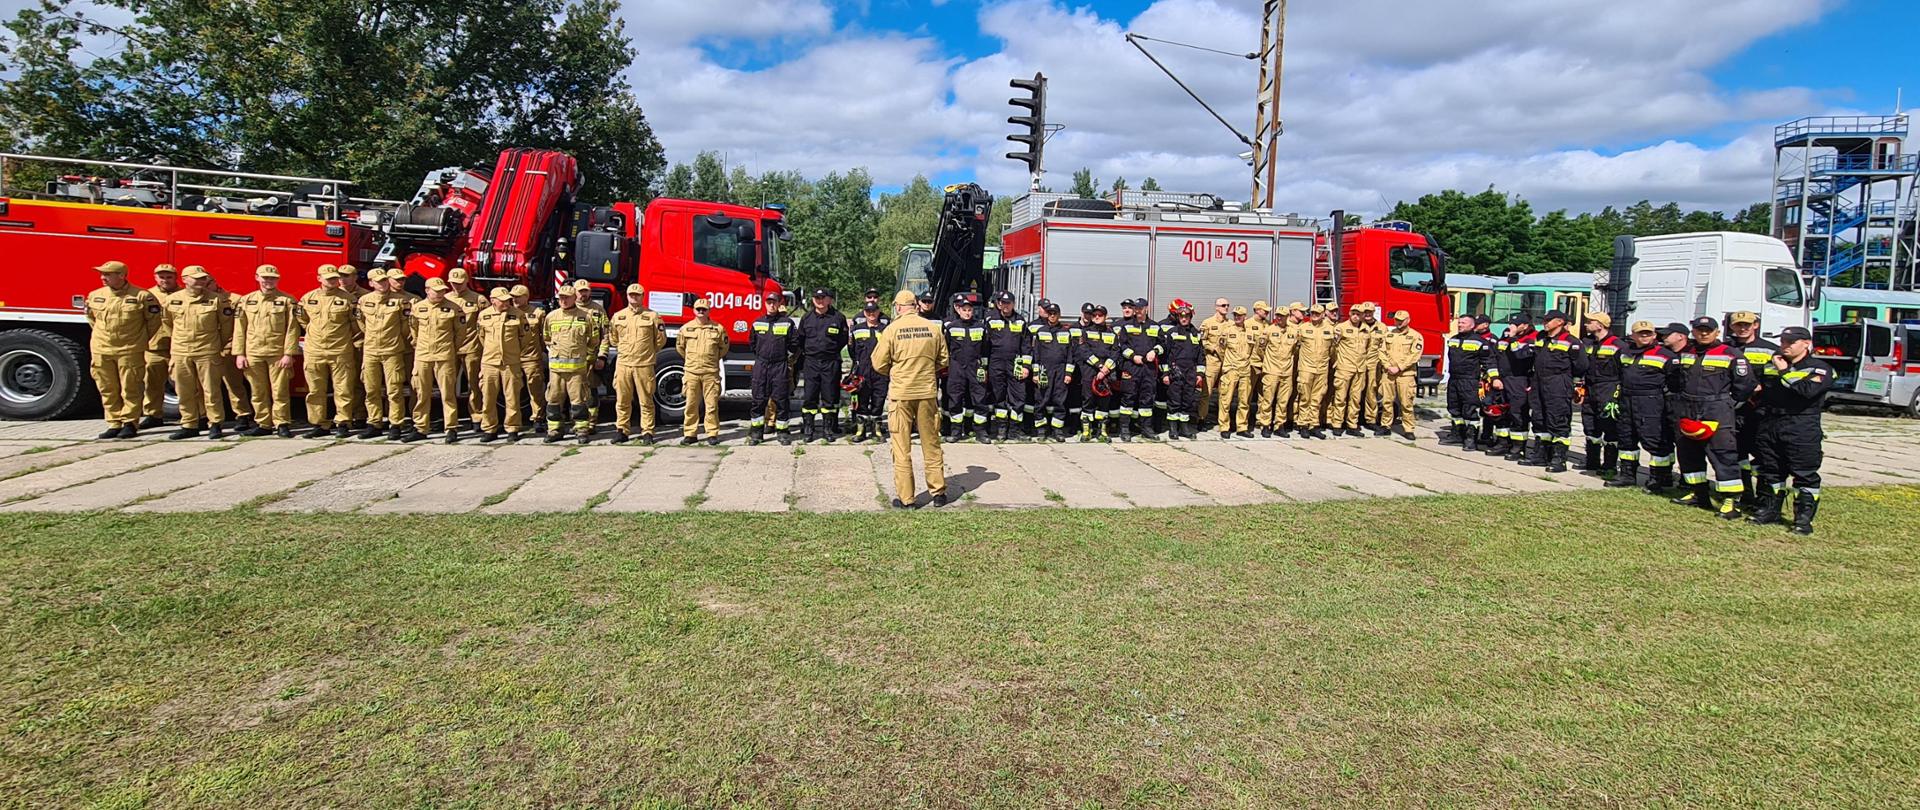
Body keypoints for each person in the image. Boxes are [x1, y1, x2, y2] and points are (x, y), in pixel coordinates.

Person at [1747, 326, 1831, 534]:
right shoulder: (1772, 363)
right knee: (1771, 470)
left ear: (1806, 343)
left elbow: (1806, 391)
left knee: (1804, 473)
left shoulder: (1819, 368)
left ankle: (1802, 520)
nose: (1784, 345)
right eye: (1783, 341)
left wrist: (1784, 371)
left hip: (1801, 424)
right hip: (1771, 423)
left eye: (1790, 342)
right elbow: (1760, 389)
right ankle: (1770, 510)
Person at [872, 289, 951, 508]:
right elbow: (944, 359)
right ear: (915, 305)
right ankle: (938, 493)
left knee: (901, 446)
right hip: (927, 392)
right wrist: (925, 370)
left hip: (901, 394)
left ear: (898, 307)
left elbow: (878, 363)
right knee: (931, 442)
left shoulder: (892, 330)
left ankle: (907, 498)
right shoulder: (933, 329)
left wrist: (897, 372)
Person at [1670, 316, 1753, 517]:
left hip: (1716, 409)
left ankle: (1730, 501)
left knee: (1722, 454)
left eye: (1708, 330)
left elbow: (1745, 384)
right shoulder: (1686, 352)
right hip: (1688, 407)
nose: (1704, 333)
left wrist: (1729, 405)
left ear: (1717, 332)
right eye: (1699, 330)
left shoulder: (1730, 354)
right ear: (1693, 332)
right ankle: (1698, 493)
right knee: (1688, 453)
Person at [83, 260, 162, 439]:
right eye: (102, 274)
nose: (103, 277)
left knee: (131, 387)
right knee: (107, 387)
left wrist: (139, 339)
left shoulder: (142, 296)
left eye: (108, 274)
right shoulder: (95, 295)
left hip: (130, 349)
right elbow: (92, 319)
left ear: (121, 275)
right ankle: (113, 422)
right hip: (102, 349)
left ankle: (130, 422)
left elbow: (154, 321)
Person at [163, 266, 235, 440]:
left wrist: (217, 344)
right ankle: (189, 424)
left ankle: (215, 424)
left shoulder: (217, 300)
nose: (201, 281)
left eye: (203, 278)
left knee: (211, 390)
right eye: (197, 278)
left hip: (207, 351)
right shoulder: (172, 300)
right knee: (184, 390)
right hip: (181, 351)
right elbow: (167, 323)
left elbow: (226, 326)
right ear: (185, 279)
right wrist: (179, 342)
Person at [1608, 320, 1680, 491]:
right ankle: (1627, 474)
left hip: (1651, 401)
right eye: (1641, 333)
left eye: (1648, 333)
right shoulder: (1623, 353)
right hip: (1627, 400)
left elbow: (1675, 382)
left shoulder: (1666, 355)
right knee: (1626, 438)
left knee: (1655, 440)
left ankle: (1659, 477)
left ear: (1655, 335)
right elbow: (1617, 374)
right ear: (1633, 335)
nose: (1645, 336)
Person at [232, 264, 301, 437]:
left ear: (278, 279)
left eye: (272, 278)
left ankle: (282, 423)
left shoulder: (287, 300)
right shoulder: (246, 300)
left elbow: (292, 329)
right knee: (258, 391)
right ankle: (263, 423)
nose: (268, 281)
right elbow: (239, 329)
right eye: (265, 278)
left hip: (277, 354)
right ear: (257, 277)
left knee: (280, 391)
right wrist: (239, 354)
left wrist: (288, 354)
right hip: (253, 353)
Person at [297, 266, 362, 438]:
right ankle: (319, 423)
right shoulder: (308, 298)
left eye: (335, 278)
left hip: (340, 350)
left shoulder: (348, 299)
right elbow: (303, 320)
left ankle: (343, 422)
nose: (332, 281)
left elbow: (356, 325)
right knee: (315, 389)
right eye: (328, 278)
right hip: (314, 350)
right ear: (319, 278)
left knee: (343, 388)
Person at [404, 278, 469, 443]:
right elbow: (414, 330)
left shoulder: (454, 308)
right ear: (427, 290)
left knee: (447, 393)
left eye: (442, 291)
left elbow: (460, 333)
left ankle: (451, 428)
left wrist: (451, 348)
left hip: (444, 355)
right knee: (421, 393)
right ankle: (420, 427)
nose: (440, 293)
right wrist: (420, 346)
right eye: (436, 290)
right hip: (423, 355)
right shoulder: (418, 308)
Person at [542, 285, 605, 444]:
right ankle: (555, 430)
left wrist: (589, 357)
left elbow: (594, 340)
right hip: (556, 370)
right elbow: (546, 337)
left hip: (577, 370)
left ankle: (581, 430)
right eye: (560, 297)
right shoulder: (551, 316)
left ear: (573, 298)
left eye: (566, 297)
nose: (563, 300)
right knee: (554, 400)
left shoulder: (586, 317)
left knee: (578, 401)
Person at [1725, 311, 1777, 505]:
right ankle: (1744, 493)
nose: (1743, 328)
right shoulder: (1725, 348)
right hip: (1732, 409)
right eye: (1738, 325)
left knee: (1763, 454)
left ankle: (1764, 498)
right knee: (1736, 454)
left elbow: (1774, 379)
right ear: (1731, 327)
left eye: (1747, 324)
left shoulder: (1770, 349)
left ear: (1756, 325)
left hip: (1758, 410)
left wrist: (1759, 387)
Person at [357, 268, 416, 440]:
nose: (383, 284)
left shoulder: (400, 301)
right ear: (371, 283)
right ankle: (374, 422)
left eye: (384, 281)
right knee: (371, 389)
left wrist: (397, 340)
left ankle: (395, 423)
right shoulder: (364, 300)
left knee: (394, 389)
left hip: (392, 351)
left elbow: (406, 326)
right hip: (370, 351)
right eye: (379, 281)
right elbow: (361, 323)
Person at [1526, 309, 1586, 471]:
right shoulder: (1540, 338)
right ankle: (1541, 454)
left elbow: (1581, 366)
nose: (1544, 323)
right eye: (1544, 320)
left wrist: (1576, 384)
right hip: (1539, 382)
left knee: (1558, 419)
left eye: (1548, 320)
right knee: (1539, 417)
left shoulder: (1571, 341)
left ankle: (1559, 458)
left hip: (1558, 382)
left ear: (1560, 322)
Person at [607, 283, 667, 444]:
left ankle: (647, 431)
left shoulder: (653, 316)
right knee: (622, 400)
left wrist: (647, 352)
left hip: (644, 365)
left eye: (637, 294)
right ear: (627, 296)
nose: (634, 297)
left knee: (646, 400)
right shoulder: (618, 316)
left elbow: (660, 340)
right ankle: (622, 430)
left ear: (642, 296)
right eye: (631, 294)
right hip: (624, 364)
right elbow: (613, 338)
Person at [474, 287, 531, 442]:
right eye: (502, 300)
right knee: (488, 397)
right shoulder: (483, 315)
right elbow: (481, 337)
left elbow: (525, 337)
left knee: (512, 397)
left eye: (507, 300)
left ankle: (512, 428)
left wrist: (513, 351)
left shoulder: (518, 315)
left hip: (510, 362)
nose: (506, 302)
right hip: (490, 362)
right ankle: (489, 429)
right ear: (493, 300)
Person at [797, 288, 850, 443]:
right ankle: (809, 429)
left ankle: (828, 429)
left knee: (829, 396)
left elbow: (842, 340)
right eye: (816, 297)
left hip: (830, 362)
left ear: (829, 300)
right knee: (810, 397)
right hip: (811, 362)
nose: (819, 300)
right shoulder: (807, 318)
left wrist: (829, 353)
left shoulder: (838, 318)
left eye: (822, 297)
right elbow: (800, 340)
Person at [747, 294, 799, 445]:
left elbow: (794, 344)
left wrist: (785, 357)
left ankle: (782, 432)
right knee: (758, 399)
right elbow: (752, 343)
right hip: (761, 365)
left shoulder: (787, 323)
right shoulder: (758, 322)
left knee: (781, 400)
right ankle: (757, 433)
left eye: (774, 302)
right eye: (769, 302)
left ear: (778, 304)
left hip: (779, 366)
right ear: (765, 304)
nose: (771, 305)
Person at [206, 275, 254, 432]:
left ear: (215, 282)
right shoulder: (201, 300)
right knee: (206, 386)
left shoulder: (235, 300)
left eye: (208, 283)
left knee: (233, 384)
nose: (204, 286)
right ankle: (205, 417)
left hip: (228, 346)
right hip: (206, 348)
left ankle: (242, 415)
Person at [1579, 313, 1624, 475]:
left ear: (1600, 325)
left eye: (1590, 322)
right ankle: (1592, 461)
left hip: (1609, 388)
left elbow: (1624, 371)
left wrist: (1617, 395)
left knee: (1610, 427)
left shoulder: (1618, 345)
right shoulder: (1589, 343)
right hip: (1591, 388)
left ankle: (1609, 465)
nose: (1586, 324)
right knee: (1590, 425)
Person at [1440, 315, 1494, 450]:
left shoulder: (1480, 342)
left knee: (1469, 409)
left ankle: (1471, 438)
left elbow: (1489, 361)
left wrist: (1493, 378)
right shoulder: (1453, 340)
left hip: (1470, 380)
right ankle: (1457, 434)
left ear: (1471, 325)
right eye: (1459, 323)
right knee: (1454, 407)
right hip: (1454, 379)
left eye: (1463, 323)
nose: (1459, 325)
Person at [679, 299, 728, 445]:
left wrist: (710, 360)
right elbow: (681, 348)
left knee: (711, 405)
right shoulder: (686, 329)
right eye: (698, 309)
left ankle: (712, 433)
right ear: (694, 310)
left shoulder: (718, 329)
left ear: (708, 311)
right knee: (691, 405)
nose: (701, 311)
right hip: (692, 372)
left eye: (704, 309)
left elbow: (723, 348)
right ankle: (690, 433)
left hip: (710, 372)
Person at [941, 292, 989, 442]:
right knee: (955, 399)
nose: (967, 313)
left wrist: (984, 369)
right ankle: (956, 432)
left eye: (969, 310)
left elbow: (986, 349)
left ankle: (980, 432)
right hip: (957, 368)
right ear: (958, 310)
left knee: (979, 399)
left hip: (975, 367)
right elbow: (946, 348)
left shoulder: (980, 327)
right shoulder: (951, 327)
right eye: (964, 310)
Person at [1026, 300, 1075, 441]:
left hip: (1060, 371)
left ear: (1059, 315)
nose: (1053, 316)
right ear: (1047, 315)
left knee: (1059, 401)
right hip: (1043, 370)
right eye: (1050, 314)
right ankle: (1041, 429)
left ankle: (1057, 430)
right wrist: (1035, 373)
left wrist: (1068, 374)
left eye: (1055, 314)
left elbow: (1070, 355)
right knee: (1041, 400)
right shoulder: (1041, 332)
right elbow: (1035, 354)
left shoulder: (1065, 332)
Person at [1492, 313, 1539, 461]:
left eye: (1515, 324)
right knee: (1501, 412)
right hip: (1502, 379)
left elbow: (1520, 355)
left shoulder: (1532, 339)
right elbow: (1494, 356)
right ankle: (1502, 442)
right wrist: (1494, 377)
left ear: (1524, 326)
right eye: (1510, 324)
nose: (1511, 327)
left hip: (1520, 379)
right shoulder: (1505, 337)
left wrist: (1512, 338)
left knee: (1517, 413)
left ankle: (1518, 446)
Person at [984, 290, 1029, 441]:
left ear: (1013, 304)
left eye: (1008, 303)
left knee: (1018, 396)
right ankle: (1001, 428)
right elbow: (985, 345)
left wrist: (1026, 367)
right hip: (996, 363)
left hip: (1016, 364)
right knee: (999, 395)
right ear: (998, 304)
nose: (1005, 306)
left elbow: (1026, 346)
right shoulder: (990, 319)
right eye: (1003, 303)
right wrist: (984, 367)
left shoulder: (1020, 320)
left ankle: (1015, 430)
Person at [140, 263, 181, 429]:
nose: (165, 280)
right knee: (152, 383)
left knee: (184, 384)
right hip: (154, 346)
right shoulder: (147, 295)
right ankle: (153, 415)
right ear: (155, 278)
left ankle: (190, 416)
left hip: (177, 347)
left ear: (175, 278)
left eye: (169, 277)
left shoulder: (184, 295)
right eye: (161, 277)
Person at [444, 268, 486, 429]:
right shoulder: (445, 299)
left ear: (466, 281)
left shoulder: (478, 299)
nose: (456, 286)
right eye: (453, 283)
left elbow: (485, 322)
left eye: (459, 283)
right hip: (450, 348)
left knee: (474, 384)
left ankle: (477, 416)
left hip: (472, 346)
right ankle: (450, 420)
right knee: (447, 384)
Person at [1117, 297, 1164, 440]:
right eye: (1135, 308)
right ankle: (1124, 429)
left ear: (1146, 308)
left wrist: (1154, 351)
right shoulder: (1127, 326)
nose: (1137, 311)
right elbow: (1122, 347)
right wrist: (1132, 356)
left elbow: (1163, 345)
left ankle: (1146, 428)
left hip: (1148, 369)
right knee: (1128, 398)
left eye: (1140, 308)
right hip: (1132, 367)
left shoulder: (1155, 327)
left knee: (1147, 399)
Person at [1158, 301, 1206, 439]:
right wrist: (1166, 373)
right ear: (1177, 317)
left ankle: (1184, 429)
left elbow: (1200, 356)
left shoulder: (1196, 334)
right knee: (1174, 401)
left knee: (1188, 401)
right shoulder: (1171, 333)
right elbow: (1165, 355)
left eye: (1187, 316)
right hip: (1175, 372)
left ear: (1191, 317)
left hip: (1190, 372)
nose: (1184, 319)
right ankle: (1173, 429)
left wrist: (1200, 374)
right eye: (1181, 316)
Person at [1291, 305, 1337, 439]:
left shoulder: (1330, 330)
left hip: (1321, 369)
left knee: (1317, 399)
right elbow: (1296, 347)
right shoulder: (1303, 329)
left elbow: (1333, 350)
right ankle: (1303, 425)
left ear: (1323, 315)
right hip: (1306, 369)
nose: (1314, 315)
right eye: (1312, 313)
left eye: (1317, 313)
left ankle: (1314, 425)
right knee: (1305, 398)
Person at [1376, 309, 1424, 440]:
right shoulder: (1390, 335)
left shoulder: (1415, 336)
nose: (1398, 323)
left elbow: (1415, 355)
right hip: (1389, 373)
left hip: (1405, 375)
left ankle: (1408, 429)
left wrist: (1399, 367)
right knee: (1386, 401)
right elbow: (1381, 351)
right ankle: (1385, 426)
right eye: (1396, 320)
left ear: (1408, 320)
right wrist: (1387, 366)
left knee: (1406, 403)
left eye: (1401, 321)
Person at [848, 302, 891, 442]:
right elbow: (852, 350)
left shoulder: (886, 330)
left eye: (874, 311)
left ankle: (877, 430)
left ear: (879, 312)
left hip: (881, 371)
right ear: (864, 312)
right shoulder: (856, 329)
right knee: (862, 400)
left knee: (879, 400)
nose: (871, 314)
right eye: (868, 311)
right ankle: (861, 431)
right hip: (863, 371)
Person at [1213, 305, 1258, 438]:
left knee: (1244, 401)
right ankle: (1224, 427)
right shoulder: (1227, 331)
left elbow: (1254, 351)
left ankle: (1242, 427)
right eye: (1235, 315)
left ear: (1245, 317)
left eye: (1240, 315)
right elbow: (1220, 350)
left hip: (1245, 370)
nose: (1237, 317)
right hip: (1231, 369)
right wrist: (1228, 363)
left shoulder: (1250, 333)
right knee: (1225, 399)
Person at [1077, 304, 1118, 442]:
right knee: (1087, 401)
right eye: (1094, 315)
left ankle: (1103, 432)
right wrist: (1099, 366)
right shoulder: (1085, 332)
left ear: (1105, 316)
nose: (1097, 317)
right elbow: (1084, 351)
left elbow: (1115, 353)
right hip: (1090, 371)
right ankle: (1086, 432)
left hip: (1106, 374)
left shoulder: (1112, 334)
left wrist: (1106, 368)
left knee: (1104, 403)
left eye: (1100, 315)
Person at [1329, 305, 1372, 436]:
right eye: (1353, 313)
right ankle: (1337, 423)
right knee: (1340, 397)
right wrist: (1338, 363)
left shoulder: (1366, 330)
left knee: (1355, 398)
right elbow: (1333, 348)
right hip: (1344, 368)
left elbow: (1368, 349)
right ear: (1349, 313)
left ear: (1362, 316)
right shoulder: (1340, 328)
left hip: (1360, 369)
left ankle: (1352, 425)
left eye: (1358, 314)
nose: (1355, 316)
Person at [510, 285, 546, 428]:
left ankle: (538, 418)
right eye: (513, 296)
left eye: (518, 296)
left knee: (535, 389)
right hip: (512, 357)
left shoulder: (537, 313)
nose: (515, 299)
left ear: (526, 297)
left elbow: (544, 335)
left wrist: (543, 352)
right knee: (512, 391)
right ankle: (513, 421)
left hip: (531, 357)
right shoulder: (507, 312)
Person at [1199, 298, 1232, 426]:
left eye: (1228, 305)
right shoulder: (1207, 323)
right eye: (1223, 305)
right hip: (1212, 360)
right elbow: (1201, 340)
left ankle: (1223, 421)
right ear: (1216, 307)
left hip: (1227, 361)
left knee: (1225, 393)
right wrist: (1212, 348)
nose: (1226, 308)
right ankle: (1201, 418)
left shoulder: (1231, 324)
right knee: (1207, 392)